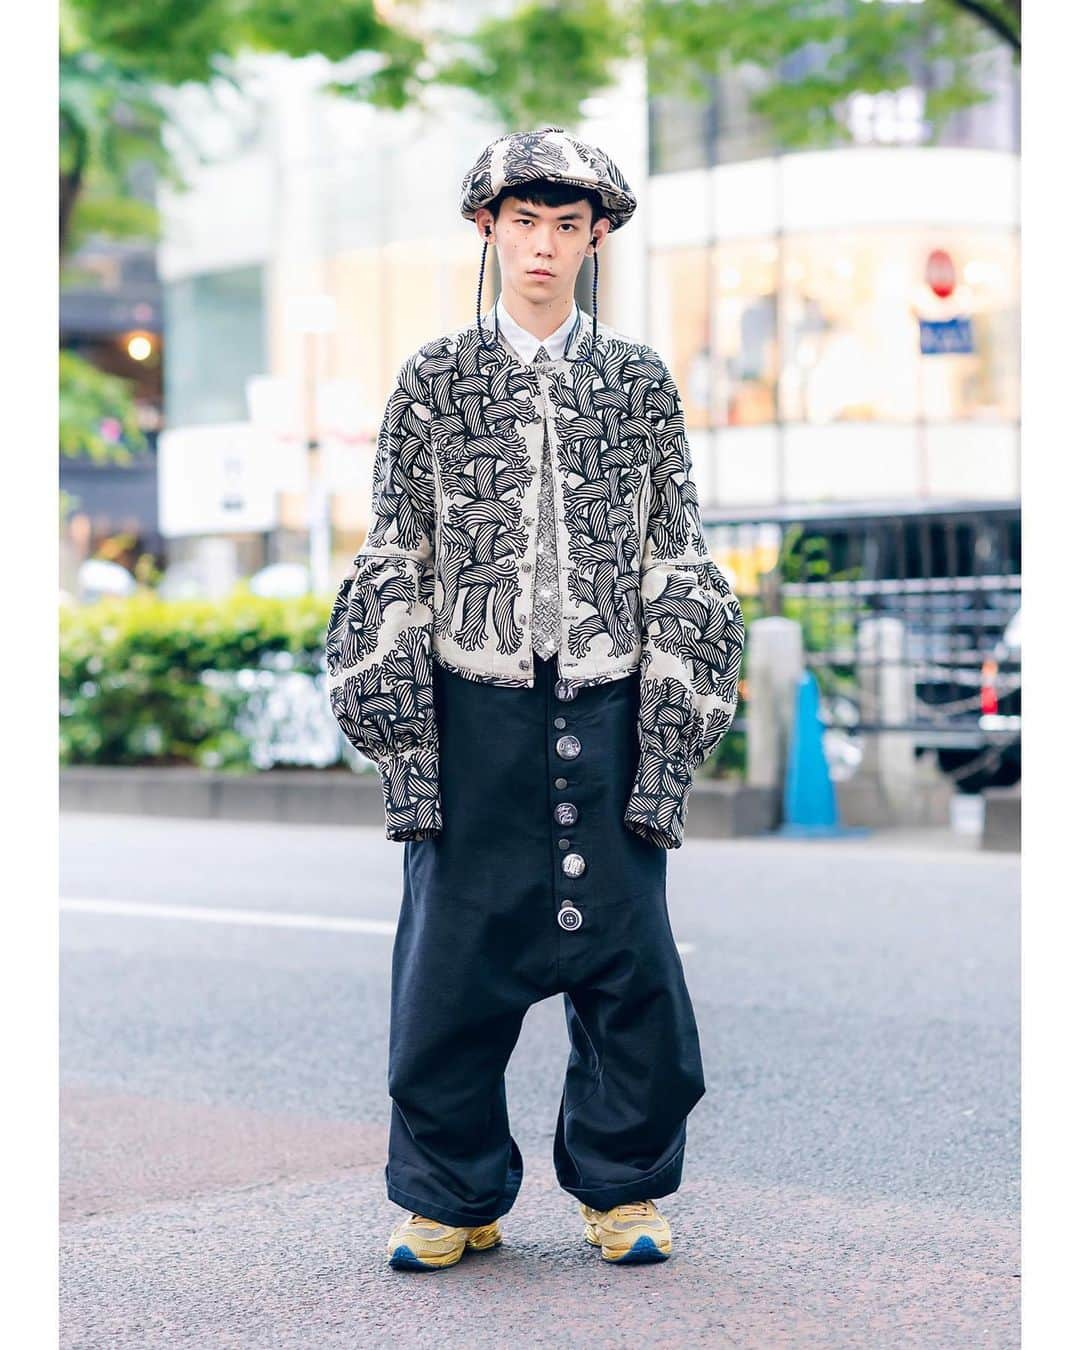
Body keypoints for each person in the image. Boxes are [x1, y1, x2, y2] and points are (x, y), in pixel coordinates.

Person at [325, 126, 745, 1270]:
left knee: (630, 965)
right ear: (488, 229)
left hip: (609, 704)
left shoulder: (640, 383)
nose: (545, 248)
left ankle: (622, 1190)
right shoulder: (433, 380)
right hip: (473, 706)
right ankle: (453, 1196)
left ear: (597, 237)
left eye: (568, 226)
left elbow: (677, 556)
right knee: (449, 965)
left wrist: (669, 740)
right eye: (525, 224)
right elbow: (395, 558)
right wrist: (407, 746)